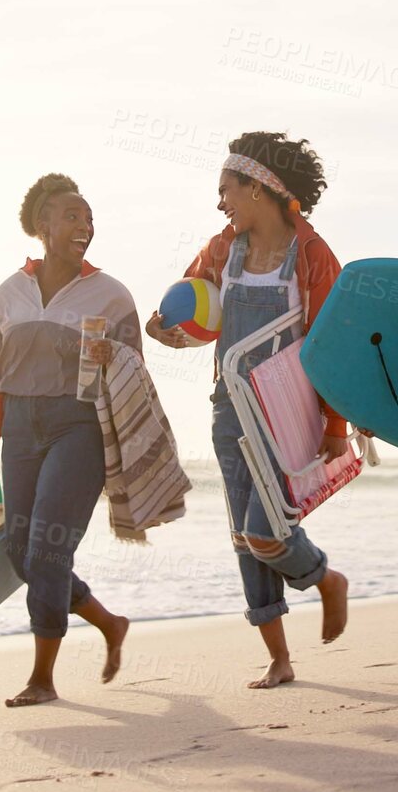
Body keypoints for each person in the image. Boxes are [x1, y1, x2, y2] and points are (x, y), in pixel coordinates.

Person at [145, 132, 353, 689]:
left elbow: (331, 345)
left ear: (258, 187)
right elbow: (188, 309)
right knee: (243, 539)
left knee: (266, 533)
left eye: (226, 190)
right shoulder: (221, 250)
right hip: (229, 409)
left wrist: (335, 424)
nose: (221, 203)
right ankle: (280, 659)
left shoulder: (312, 254)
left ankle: (325, 579)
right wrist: (164, 330)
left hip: (289, 414)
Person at [0, 173, 135, 707]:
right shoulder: (6, 296)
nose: (85, 225)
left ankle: (43, 678)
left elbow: (135, 379)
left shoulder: (111, 293)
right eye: (72, 216)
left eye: (88, 217)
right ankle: (108, 621)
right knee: (20, 552)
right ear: (43, 225)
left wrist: (115, 358)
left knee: (49, 548)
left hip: (76, 428)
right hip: (19, 429)